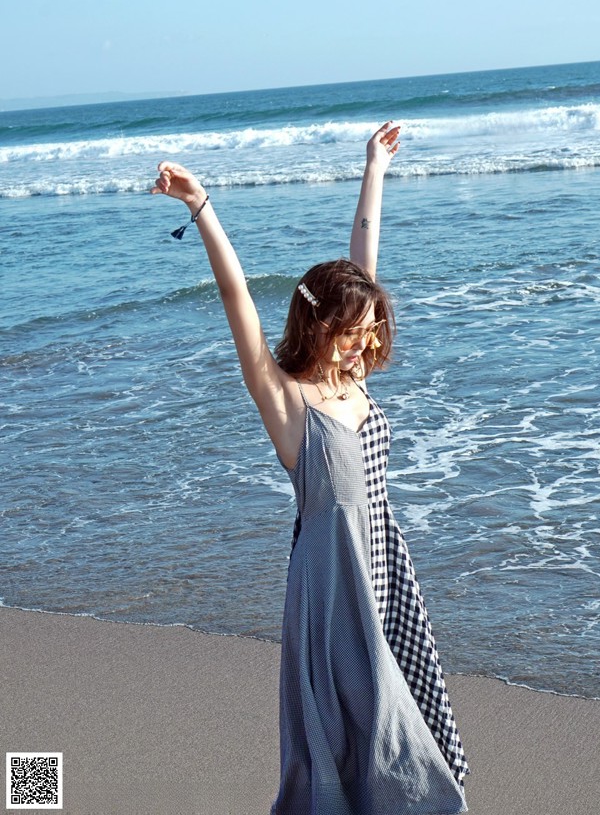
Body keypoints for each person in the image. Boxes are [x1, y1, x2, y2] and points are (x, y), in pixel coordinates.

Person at [152, 122, 470, 815]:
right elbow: (238, 301)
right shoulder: (286, 400)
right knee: (360, 727)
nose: (364, 345)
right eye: (351, 333)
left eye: (370, 331)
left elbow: (364, 262)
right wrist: (201, 206)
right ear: (318, 325)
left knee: (403, 712)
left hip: (382, 564)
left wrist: (374, 168)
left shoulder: (355, 380)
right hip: (331, 583)